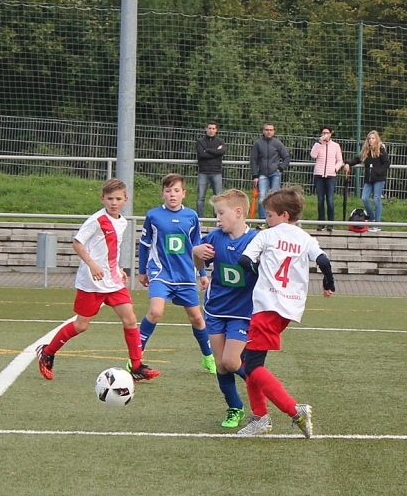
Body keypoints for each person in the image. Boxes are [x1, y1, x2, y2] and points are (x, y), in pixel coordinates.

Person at [235, 187, 336, 438]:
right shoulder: (305, 238)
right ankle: (260, 417)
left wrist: (260, 273)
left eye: (269, 214)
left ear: (283, 215)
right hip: (288, 309)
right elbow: (323, 261)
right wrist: (328, 282)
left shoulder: (267, 235)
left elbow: (244, 261)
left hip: (267, 305)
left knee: (252, 365)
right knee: (248, 360)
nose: (266, 219)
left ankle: (293, 410)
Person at [36, 179, 160, 382]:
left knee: (130, 319)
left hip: (113, 281)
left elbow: (110, 249)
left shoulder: (122, 222)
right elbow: (78, 243)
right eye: (110, 199)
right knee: (81, 325)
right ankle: (47, 352)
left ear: (125, 200)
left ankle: (136, 366)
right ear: (102, 199)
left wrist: (117, 268)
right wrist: (92, 264)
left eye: (118, 199)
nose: (114, 203)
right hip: (91, 282)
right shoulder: (96, 220)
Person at [192, 189, 258, 428]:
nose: (217, 218)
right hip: (216, 309)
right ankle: (235, 408)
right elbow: (199, 262)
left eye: (221, 213)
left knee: (231, 361)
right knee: (221, 364)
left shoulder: (255, 240)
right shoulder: (214, 238)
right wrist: (196, 253)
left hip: (242, 312)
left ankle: (261, 383)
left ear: (238, 212)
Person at [137, 173, 216, 375]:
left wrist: (202, 273)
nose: (172, 194)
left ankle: (208, 357)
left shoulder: (191, 216)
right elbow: (145, 245)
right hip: (160, 272)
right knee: (155, 311)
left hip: (185, 275)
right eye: (168, 190)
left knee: (197, 318)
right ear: (162, 194)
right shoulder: (153, 216)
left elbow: (197, 247)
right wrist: (142, 270)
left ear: (184, 194)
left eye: (176, 190)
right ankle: (135, 358)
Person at [345, 130, 391, 232]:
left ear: (376, 139)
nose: (371, 140)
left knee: (376, 199)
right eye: (369, 138)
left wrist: (378, 172)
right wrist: (348, 163)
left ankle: (377, 224)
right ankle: (373, 219)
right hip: (369, 179)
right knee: (364, 198)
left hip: (378, 178)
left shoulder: (380, 149)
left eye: (373, 138)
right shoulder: (366, 150)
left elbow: (386, 163)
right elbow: (358, 159)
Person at [249, 122, 290, 217]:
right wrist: (255, 175)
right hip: (262, 174)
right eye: (267, 130)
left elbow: (286, 157)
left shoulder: (277, 143)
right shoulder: (258, 143)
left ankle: (275, 219)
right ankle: (262, 220)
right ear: (263, 131)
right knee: (262, 198)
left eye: (271, 130)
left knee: (275, 198)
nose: (269, 132)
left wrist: (280, 168)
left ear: (274, 131)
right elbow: (253, 159)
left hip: (275, 173)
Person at [310, 126, 343, 232]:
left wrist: (335, 168)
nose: (325, 135)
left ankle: (330, 223)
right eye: (323, 133)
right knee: (320, 200)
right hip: (319, 175)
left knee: (330, 200)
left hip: (330, 176)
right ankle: (321, 223)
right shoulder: (318, 145)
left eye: (327, 133)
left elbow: (340, 160)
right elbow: (313, 155)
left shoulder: (336, 146)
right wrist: (319, 143)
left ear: (330, 134)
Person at [195, 121, 226, 218]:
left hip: (217, 172)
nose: (211, 130)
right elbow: (201, 154)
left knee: (218, 198)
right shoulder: (200, 141)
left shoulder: (220, 141)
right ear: (206, 129)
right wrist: (215, 152)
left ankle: (218, 220)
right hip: (203, 172)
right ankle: (200, 220)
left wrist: (207, 150)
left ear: (216, 130)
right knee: (200, 197)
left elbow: (221, 152)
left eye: (213, 128)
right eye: (209, 128)